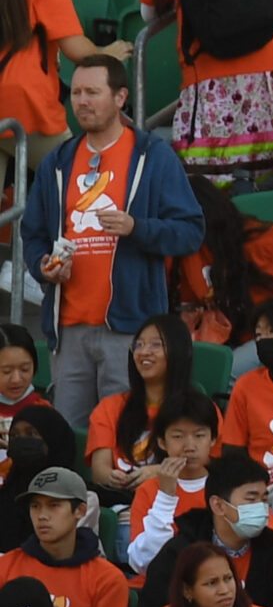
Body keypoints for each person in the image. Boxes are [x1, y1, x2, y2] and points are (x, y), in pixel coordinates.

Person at [19, 56, 204, 434]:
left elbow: (190, 230)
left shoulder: (152, 156)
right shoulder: (58, 160)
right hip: (67, 326)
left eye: (93, 92)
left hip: (130, 328)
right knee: (67, 437)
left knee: (123, 438)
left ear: (121, 97)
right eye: (76, 93)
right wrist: (43, 265)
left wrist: (137, 226)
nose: (82, 101)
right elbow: (33, 233)